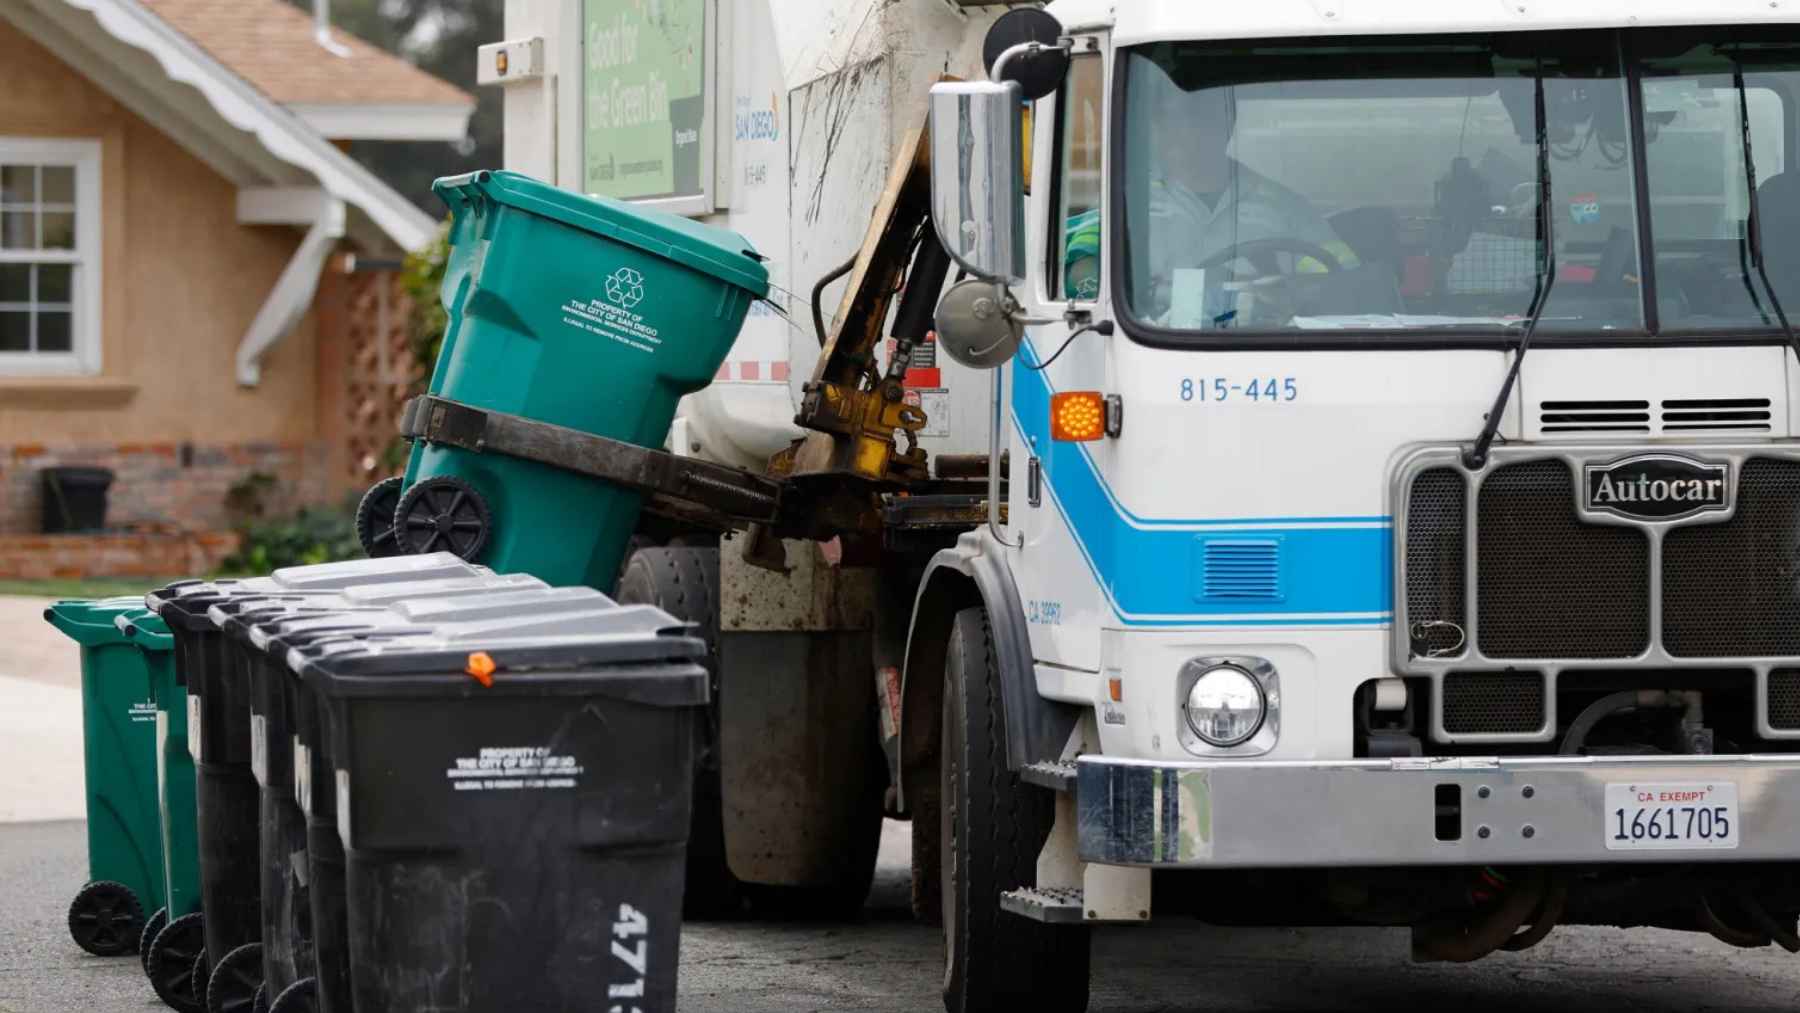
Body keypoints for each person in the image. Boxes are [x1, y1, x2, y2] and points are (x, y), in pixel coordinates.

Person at [1139, 80, 1356, 326]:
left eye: (1202, 120)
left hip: (1260, 341)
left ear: (1227, 126)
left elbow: (1341, 278)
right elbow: (1093, 285)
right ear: (1155, 127)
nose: (1188, 132)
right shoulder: (1132, 203)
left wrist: (1290, 293)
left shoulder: (1283, 205)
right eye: (1174, 119)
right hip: (1154, 343)